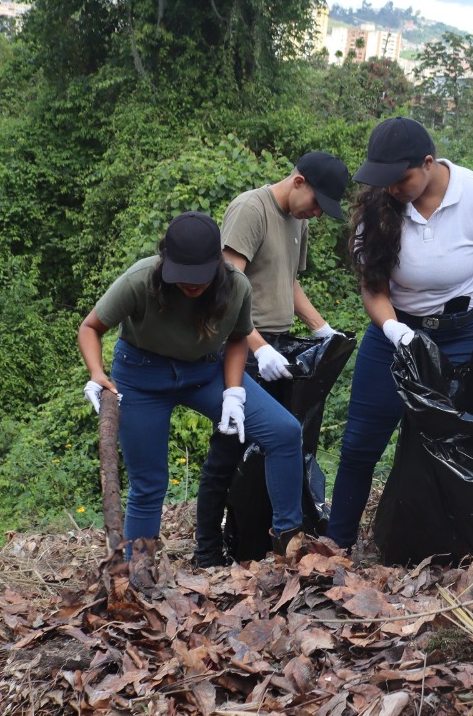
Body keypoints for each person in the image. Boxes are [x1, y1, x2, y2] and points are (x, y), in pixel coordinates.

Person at [327, 117, 473, 549]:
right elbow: (374, 288)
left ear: (428, 163)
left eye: (399, 178)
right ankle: (338, 544)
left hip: (466, 334)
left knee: (464, 442)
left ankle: (463, 542)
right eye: (382, 179)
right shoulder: (378, 208)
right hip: (397, 333)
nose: (390, 188)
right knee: (361, 443)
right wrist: (393, 330)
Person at [79, 212, 306, 567]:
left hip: (204, 372)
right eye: (182, 278)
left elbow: (236, 338)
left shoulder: (236, 286)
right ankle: (139, 573)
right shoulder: (140, 280)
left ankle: (290, 553)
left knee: (285, 432)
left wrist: (234, 392)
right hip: (142, 378)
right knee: (149, 482)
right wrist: (96, 373)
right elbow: (91, 327)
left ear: (216, 265)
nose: (191, 286)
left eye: (199, 279)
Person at [190, 152, 350, 567]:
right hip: (241, 347)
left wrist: (321, 328)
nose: (316, 213)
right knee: (229, 447)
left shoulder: (298, 220)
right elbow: (225, 293)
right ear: (298, 181)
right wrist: (258, 346)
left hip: (276, 348)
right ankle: (207, 550)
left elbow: (288, 282)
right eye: (316, 203)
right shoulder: (251, 209)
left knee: (279, 444)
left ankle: (263, 543)